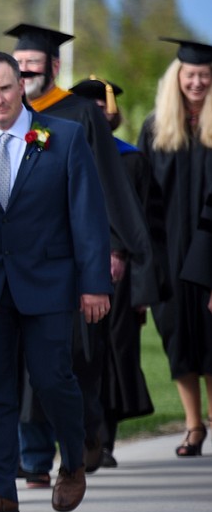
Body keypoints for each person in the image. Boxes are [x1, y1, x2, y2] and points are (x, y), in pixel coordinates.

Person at [0, 51, 110, 512]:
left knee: (52, 378)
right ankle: (0, 492)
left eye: (5, 87)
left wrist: (94, 283)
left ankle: (74, 462)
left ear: (21, 85)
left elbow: (88, 214)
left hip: (48, 283)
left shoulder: (64, 138)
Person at [7, 23, 156, 477]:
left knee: (74, 357)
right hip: (24, 259)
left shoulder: (80, 113)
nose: (26, 71)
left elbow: (106, 189)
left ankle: (89, 428)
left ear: (53, 66)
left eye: (34, 64)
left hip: (73, 257)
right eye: (20, 65)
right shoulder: (9, 113)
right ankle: (33, 461)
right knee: (25, 361)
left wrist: (113, 248)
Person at [70, 76, 163, 466]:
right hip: (73, 270)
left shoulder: (130, 159)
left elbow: (147, 225)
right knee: (80, 354)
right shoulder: (66, 153)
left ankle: (105, 438)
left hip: (120, 278)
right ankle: (86, 436)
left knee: (116, 350)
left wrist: (138, 282)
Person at [138, 37, 212, 457]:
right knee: (178, 340)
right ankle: (193, 425)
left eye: (204, 75)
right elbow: (143, 197)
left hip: (209, 253)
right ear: (177, 77)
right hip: (169, 256)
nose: (197, 81)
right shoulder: (156, 128)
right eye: (190, 75)